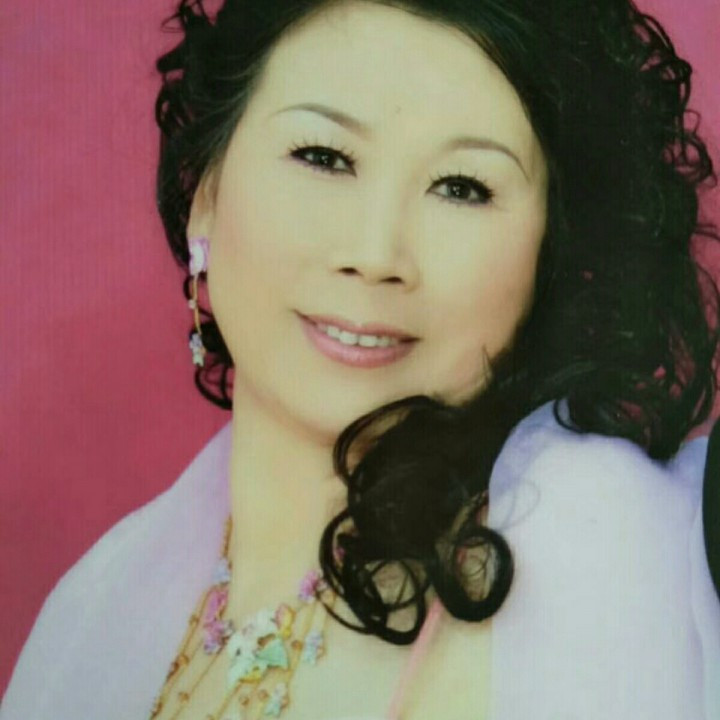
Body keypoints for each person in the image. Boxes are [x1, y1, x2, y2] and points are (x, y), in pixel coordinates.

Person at [3, 0, 719, 718]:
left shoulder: (602, 560)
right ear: (207, 192)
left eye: (462, 187)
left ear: (550, 257)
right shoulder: (94, 616)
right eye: (323, 157)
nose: (375, 255)